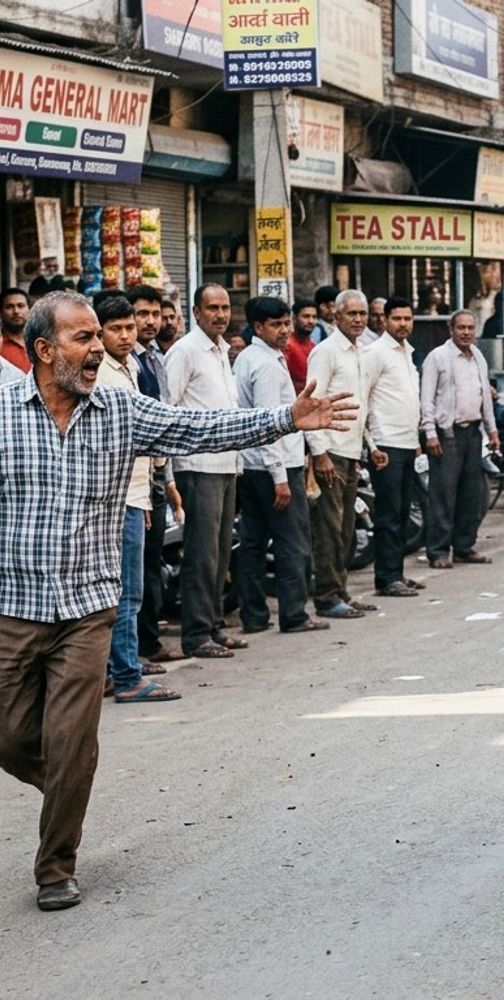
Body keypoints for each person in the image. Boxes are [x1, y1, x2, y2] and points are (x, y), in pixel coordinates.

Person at [0, 290, 355, 911]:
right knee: (13, 738)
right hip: (14, 604)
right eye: (82, 339)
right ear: (43, 350)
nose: (104, 348)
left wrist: (284, 419)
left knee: (73, 739)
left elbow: (200, 426)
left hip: (87, 608)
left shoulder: (119, 408)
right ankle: (64, 778)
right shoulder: (2, 412)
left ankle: (55, 865)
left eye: (97, 337)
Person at [94, 295, 179, 703]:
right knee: (125, 591)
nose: (126, 335)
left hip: (137, 492)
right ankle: (126, 676)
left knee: (128, 589)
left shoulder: (132, 366)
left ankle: (117, 669)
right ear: (99, 332)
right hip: (120, 496)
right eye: (117, 329)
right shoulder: (104, 376)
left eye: (129, 327)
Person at [234, 297, 328, 635]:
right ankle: (294, 613)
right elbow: (268, 425)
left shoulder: (250, 358)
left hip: (251, 465)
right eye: (277, 324)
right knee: (293, 543)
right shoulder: (266, 366)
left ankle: (255, 615)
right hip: (274, 467)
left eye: (286, 323)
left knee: (253, 542)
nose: (285, 330)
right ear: (258, 327)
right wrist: (280, 478)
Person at [165, 284, 248, 658]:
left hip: (226, 462)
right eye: (212, 308)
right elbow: (168, 410)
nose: (220, 314)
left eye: (225, 307)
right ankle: (196, 634)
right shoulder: (185, 352)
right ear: (196, 312)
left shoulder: (221, 351)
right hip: (197, 466)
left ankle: (213, 625)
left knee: (220, 551)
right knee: (201, 554)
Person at [306, 289, 377, 618]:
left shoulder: (360, 351)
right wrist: (319, 454)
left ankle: (341, 590)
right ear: (335, 316)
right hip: (330, 451)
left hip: (351, 452)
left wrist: (368, 446)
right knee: (329, 529)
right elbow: (312, 405)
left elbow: (359, 405)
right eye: (352, 314)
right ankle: (326, 595)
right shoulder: (326, 352)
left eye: (362, 314)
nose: (359, 320)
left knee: (348, 528)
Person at [124, 284, 184, 666]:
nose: (149, 321)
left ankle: (148, 641)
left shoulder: (155, 359)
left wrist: (169, 479)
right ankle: (136, 649)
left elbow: (169, 423)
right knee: (133, 571)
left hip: (157, 473)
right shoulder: (122, 363)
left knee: (149, 563)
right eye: (140, 314)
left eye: (155, 314)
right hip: (136, 480)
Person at [420, 309, 500, 568]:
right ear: (450, 329)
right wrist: (430, 432)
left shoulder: (477, 356)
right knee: (443, 495)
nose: (466, 333)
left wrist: (492, 430)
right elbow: (426, 399)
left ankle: (464, 546)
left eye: (470, 328)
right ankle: (438, 551)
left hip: (473, 433)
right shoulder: (438, 358)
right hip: (447, 434)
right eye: (461, 328)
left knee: (471, 494)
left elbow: (484, 396)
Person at [365, 296, 424, 596]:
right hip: (384, 443)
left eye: (408, 318)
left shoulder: (407, 353)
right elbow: (364, 398)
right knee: (388, 514)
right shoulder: (375, 352)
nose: (403, 324)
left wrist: (415, 442)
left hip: (405, 442)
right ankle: (387, 578)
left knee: (402, 513)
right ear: (385, 320)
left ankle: (395, 572)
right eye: (397, 318)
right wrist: (372, 444)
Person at [286, 298, 318, 395]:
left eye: (314, 317)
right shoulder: (286, 346)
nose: (311, 321)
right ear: (294, 319)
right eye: (306, 316)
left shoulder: (315, 347)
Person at [1, 287, 31, 372]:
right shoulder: (1, 344)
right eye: (9, 307)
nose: (16, 311)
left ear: (29, 309)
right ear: (1, 312)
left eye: (21, 306)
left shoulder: (39, 341)